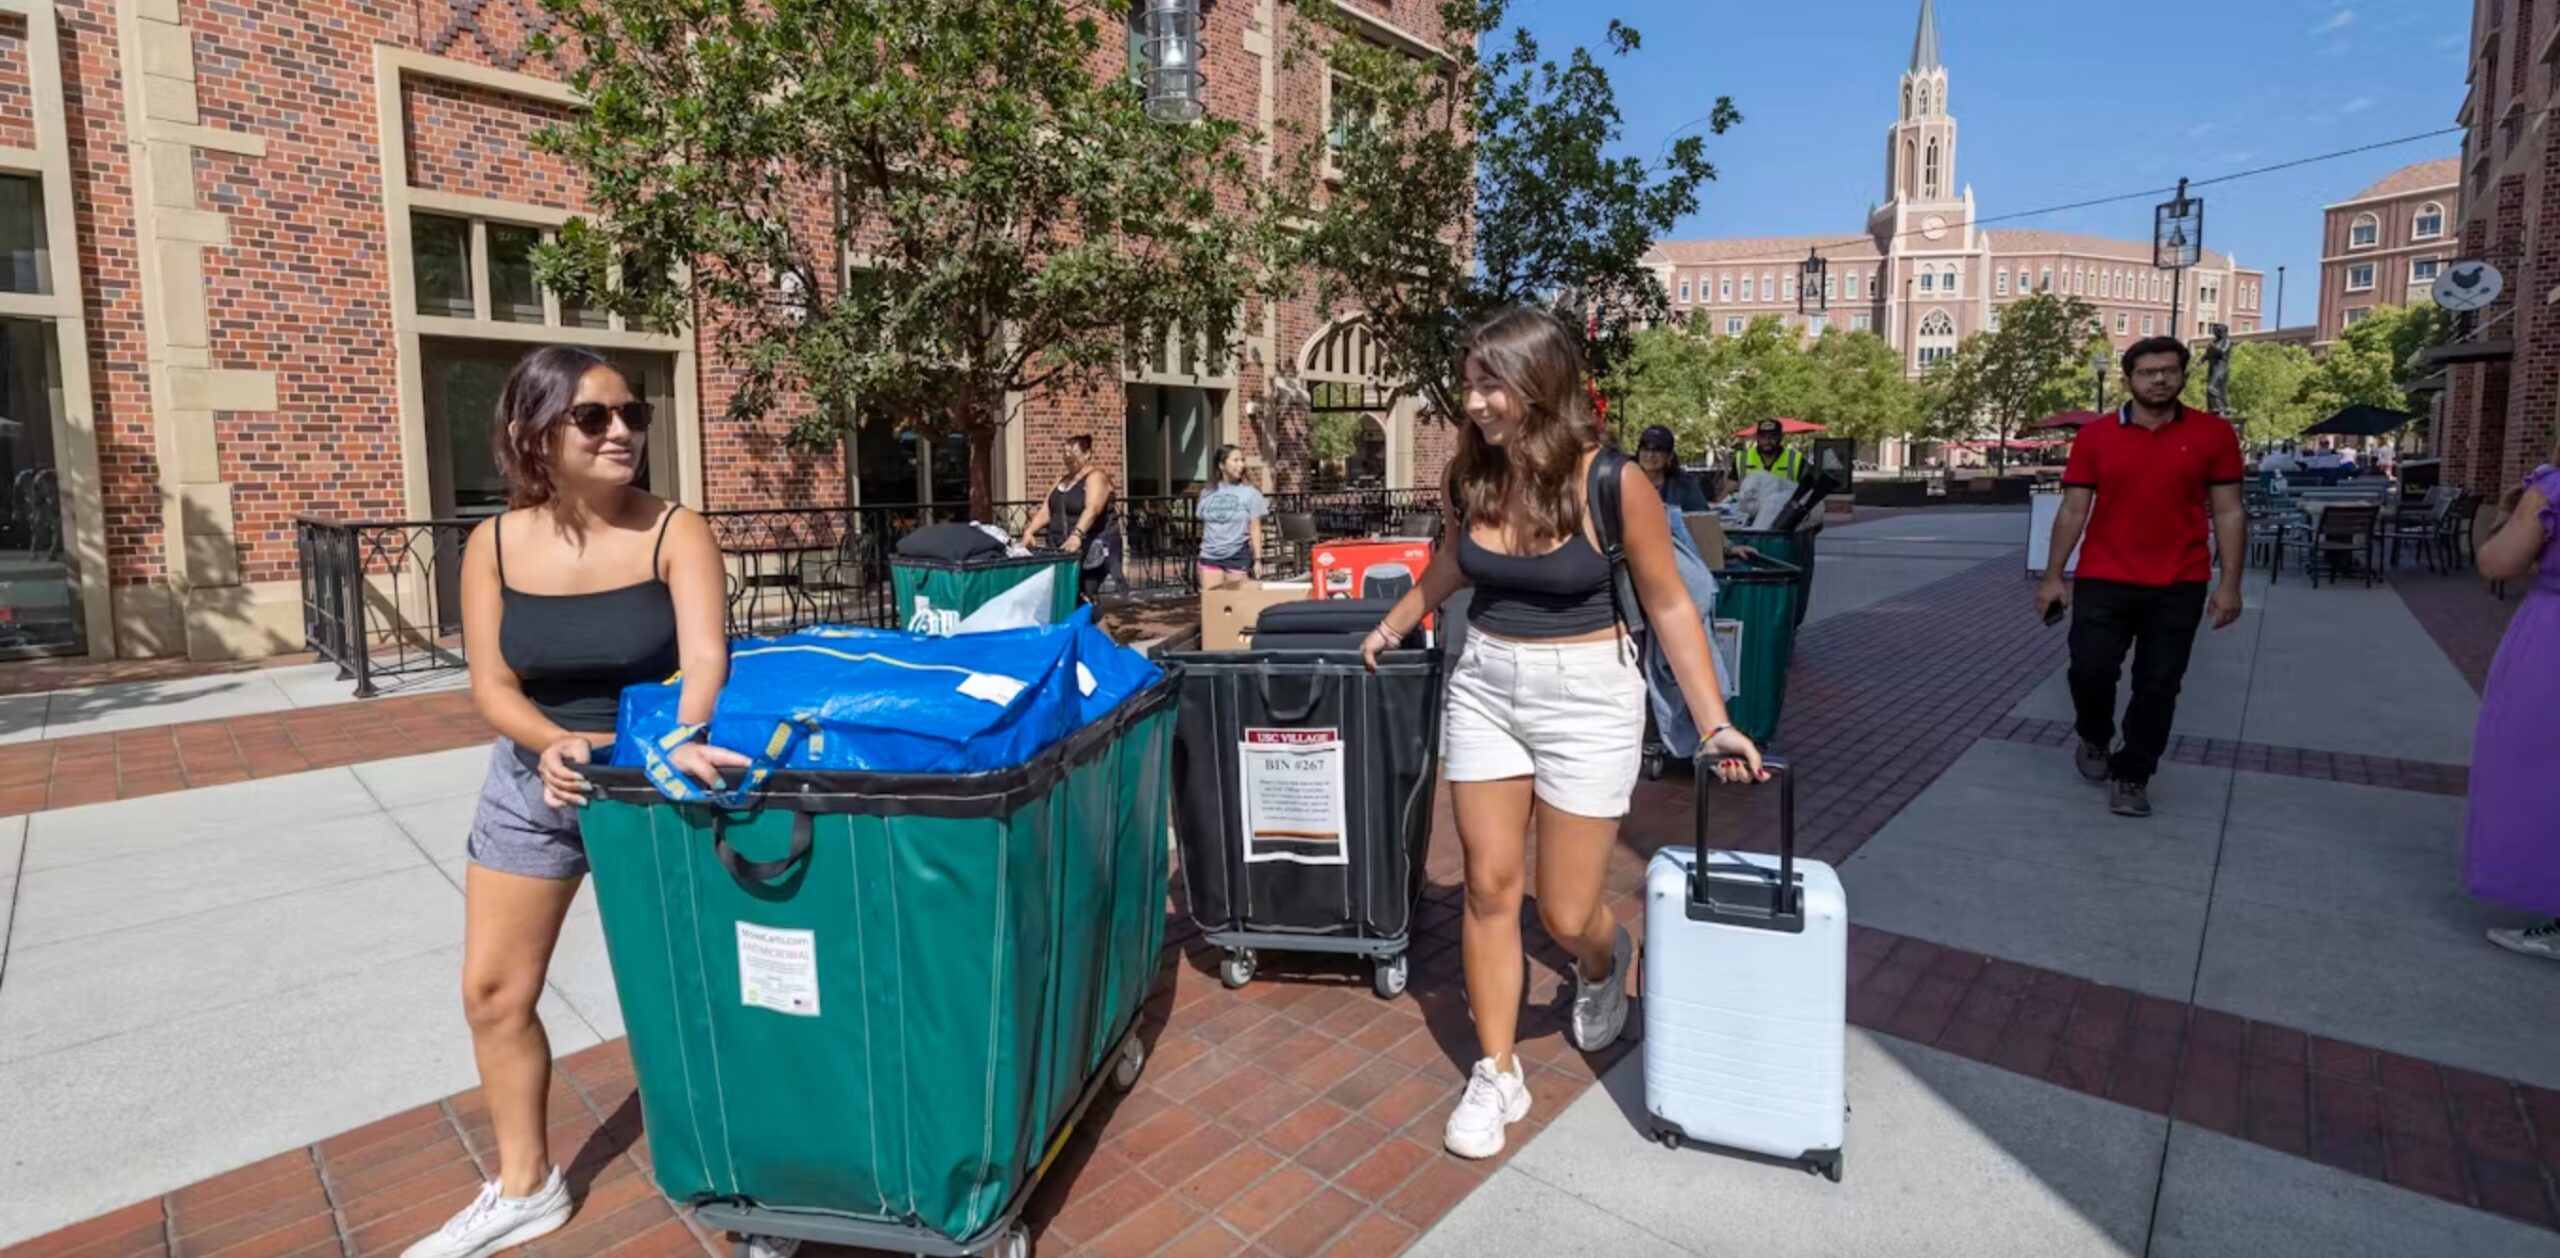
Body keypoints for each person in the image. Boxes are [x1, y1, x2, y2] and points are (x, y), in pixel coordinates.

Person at [1357, 307, 1764, 1160]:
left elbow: (1669, 604)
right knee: (1488, 887)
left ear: (1539, 384)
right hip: (1487, 688)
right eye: (1469, 384)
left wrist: (1714, 722)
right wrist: (1392, 626)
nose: (1473, 402)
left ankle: (1602, 959)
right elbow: (1451, 565)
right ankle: (1498, 1069)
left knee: (1569, 908)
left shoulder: (1614, 483)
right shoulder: (1470, 477)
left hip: (1588, 697)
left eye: (1488, 383)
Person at [411, 347, 749, 1258]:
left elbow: (707, 658)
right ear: (533, 434)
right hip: (538, 781)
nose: (622, 433)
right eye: (593, 418)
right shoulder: (492, 544)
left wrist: (675, 736)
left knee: (695, 992)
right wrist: (544, 741)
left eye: (632, 415)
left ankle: (750, 1169)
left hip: (657, 784)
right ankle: (526, 1188)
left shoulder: (675, 529)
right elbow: (491, 681)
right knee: (492, 992)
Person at [2034, 336, 2246, 819]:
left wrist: (2230, 582)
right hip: (2103, 576)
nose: (2159, 379)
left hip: (2179, 582)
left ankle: (2133, 772)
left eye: (2169, 370)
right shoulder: (2096, 436)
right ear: (2128, 379)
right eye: (2148, 372)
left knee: (2159, 683)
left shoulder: (2214, 434)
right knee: (2089, 671)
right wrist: (2052, 577)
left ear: (2184, 376)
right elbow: (2072, 509)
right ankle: (2094, 735)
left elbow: (2229, 510)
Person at [2465, 444, 2560, 960]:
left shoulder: (2552, 488)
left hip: (2553, 641)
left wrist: (2509, 513)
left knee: (2542, 772)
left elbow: (2498, 563)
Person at [1019, 434, 1121, 600]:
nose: (1068, 456)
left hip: (1092, 546)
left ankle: (1094, 625)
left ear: (1087, 454)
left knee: (1082, 596)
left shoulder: (1096, 477)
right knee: (1065, 596)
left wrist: (1077, 534)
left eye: (1073, 451)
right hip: (1062, 547)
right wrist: (1029, 531)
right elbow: (1047, 510)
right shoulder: (1062, 481)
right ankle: (1082, 624)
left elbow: (1093, 508)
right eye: (1065, 452)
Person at [1195, 443, 1267, 589]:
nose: (1240, 465)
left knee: (1237, 606)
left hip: (1237, 555)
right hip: (1210, 556)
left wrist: (1257, 559)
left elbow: (1255, 528)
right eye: (1235, 460)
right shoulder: (1206, 493)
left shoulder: (1250, 493)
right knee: (1213, 604)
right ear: (1221, 465)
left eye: (1242, 460)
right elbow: (1203, 524)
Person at [1636, 425, 1713, 513]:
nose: (1650, 455)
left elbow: (1703, 518)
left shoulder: (1685, 486)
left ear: (1670, 456)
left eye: (1657, 450)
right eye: (1645, 449)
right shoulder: (1625, 483)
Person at [1731, 417, 1808, 490]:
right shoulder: (1742, 458)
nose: (1767, 441)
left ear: (1781, 437)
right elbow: (1729, 487)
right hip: (1750, 503)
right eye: (1763, 437)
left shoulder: (1795, 459)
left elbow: (1808, 488)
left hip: (1784, 503)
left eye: (1773, 436)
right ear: (1757, 437)